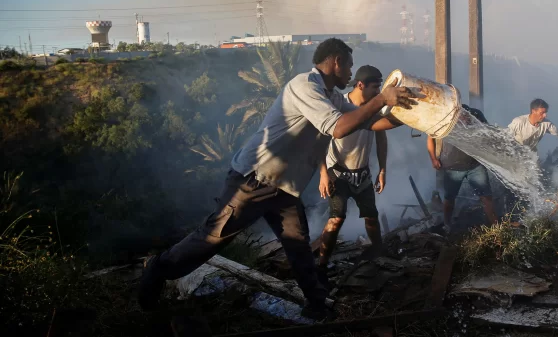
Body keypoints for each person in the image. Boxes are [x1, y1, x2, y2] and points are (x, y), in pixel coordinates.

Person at [137, 38, 414, 319]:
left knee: (298, 246)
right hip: (254, 181)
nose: (350, 74)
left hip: (283, 188)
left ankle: (317, 305)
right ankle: (158, 269)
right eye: (349, 66)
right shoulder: (305, 86)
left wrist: (412, 115)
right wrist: (381, 99)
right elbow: (339, 128)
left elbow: (368, 121)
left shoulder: (332, 96)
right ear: (336, 61)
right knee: (212, 238)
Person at [317, 65, 396, 275]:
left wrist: (382, 169)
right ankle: (321, 264)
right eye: (374, 88)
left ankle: (379, 252)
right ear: (360, 85)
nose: (378, 93)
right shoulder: (338, 104)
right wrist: (323, 174)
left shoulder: (374, 107)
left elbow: (381, 138)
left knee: (371, 216)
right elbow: (319, 141)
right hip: (337, 171)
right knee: (336, 218)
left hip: (362, 172)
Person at [427, 105, 498, 233]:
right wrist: (433, 159)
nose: (464, 120)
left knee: (486, 197)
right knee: (449, 199)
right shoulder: (444, 118)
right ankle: (447, 225)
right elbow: (430, 138)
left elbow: (488, 133)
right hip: (452, 167)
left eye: (466, 118)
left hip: (475, 165)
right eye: (461, 118)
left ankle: (496, 227)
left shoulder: (476, 114)